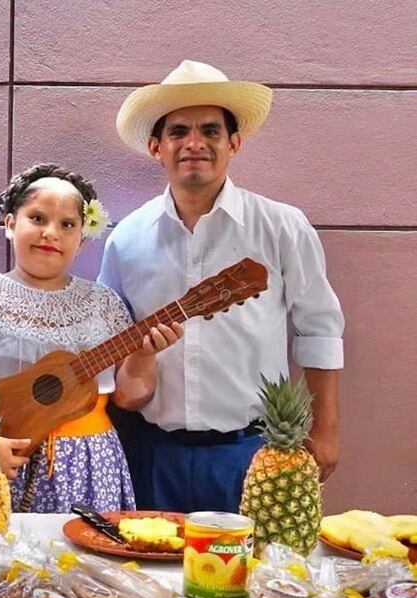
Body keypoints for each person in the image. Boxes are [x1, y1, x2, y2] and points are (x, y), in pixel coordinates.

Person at [100, 60, 344, 512]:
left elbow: (320, 329)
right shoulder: (126, 239)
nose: (195, 143)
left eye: (211, 131)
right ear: (156, 146)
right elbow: (107, 342)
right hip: (151, 453)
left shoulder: (281, 227)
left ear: (234, 143)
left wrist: (325, 429)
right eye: (178, 132)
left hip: (253, 454)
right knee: (149, 578)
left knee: (252, 579)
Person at [0, 164, 181, 512]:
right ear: (11, 225)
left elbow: (129, 397)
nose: (50, 233)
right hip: (2, 462)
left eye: (67, 224)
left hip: (91, 465)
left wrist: (145, 356)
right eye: (37, 218)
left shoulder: (103, 303)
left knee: (88, 562)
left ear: (82, 237)